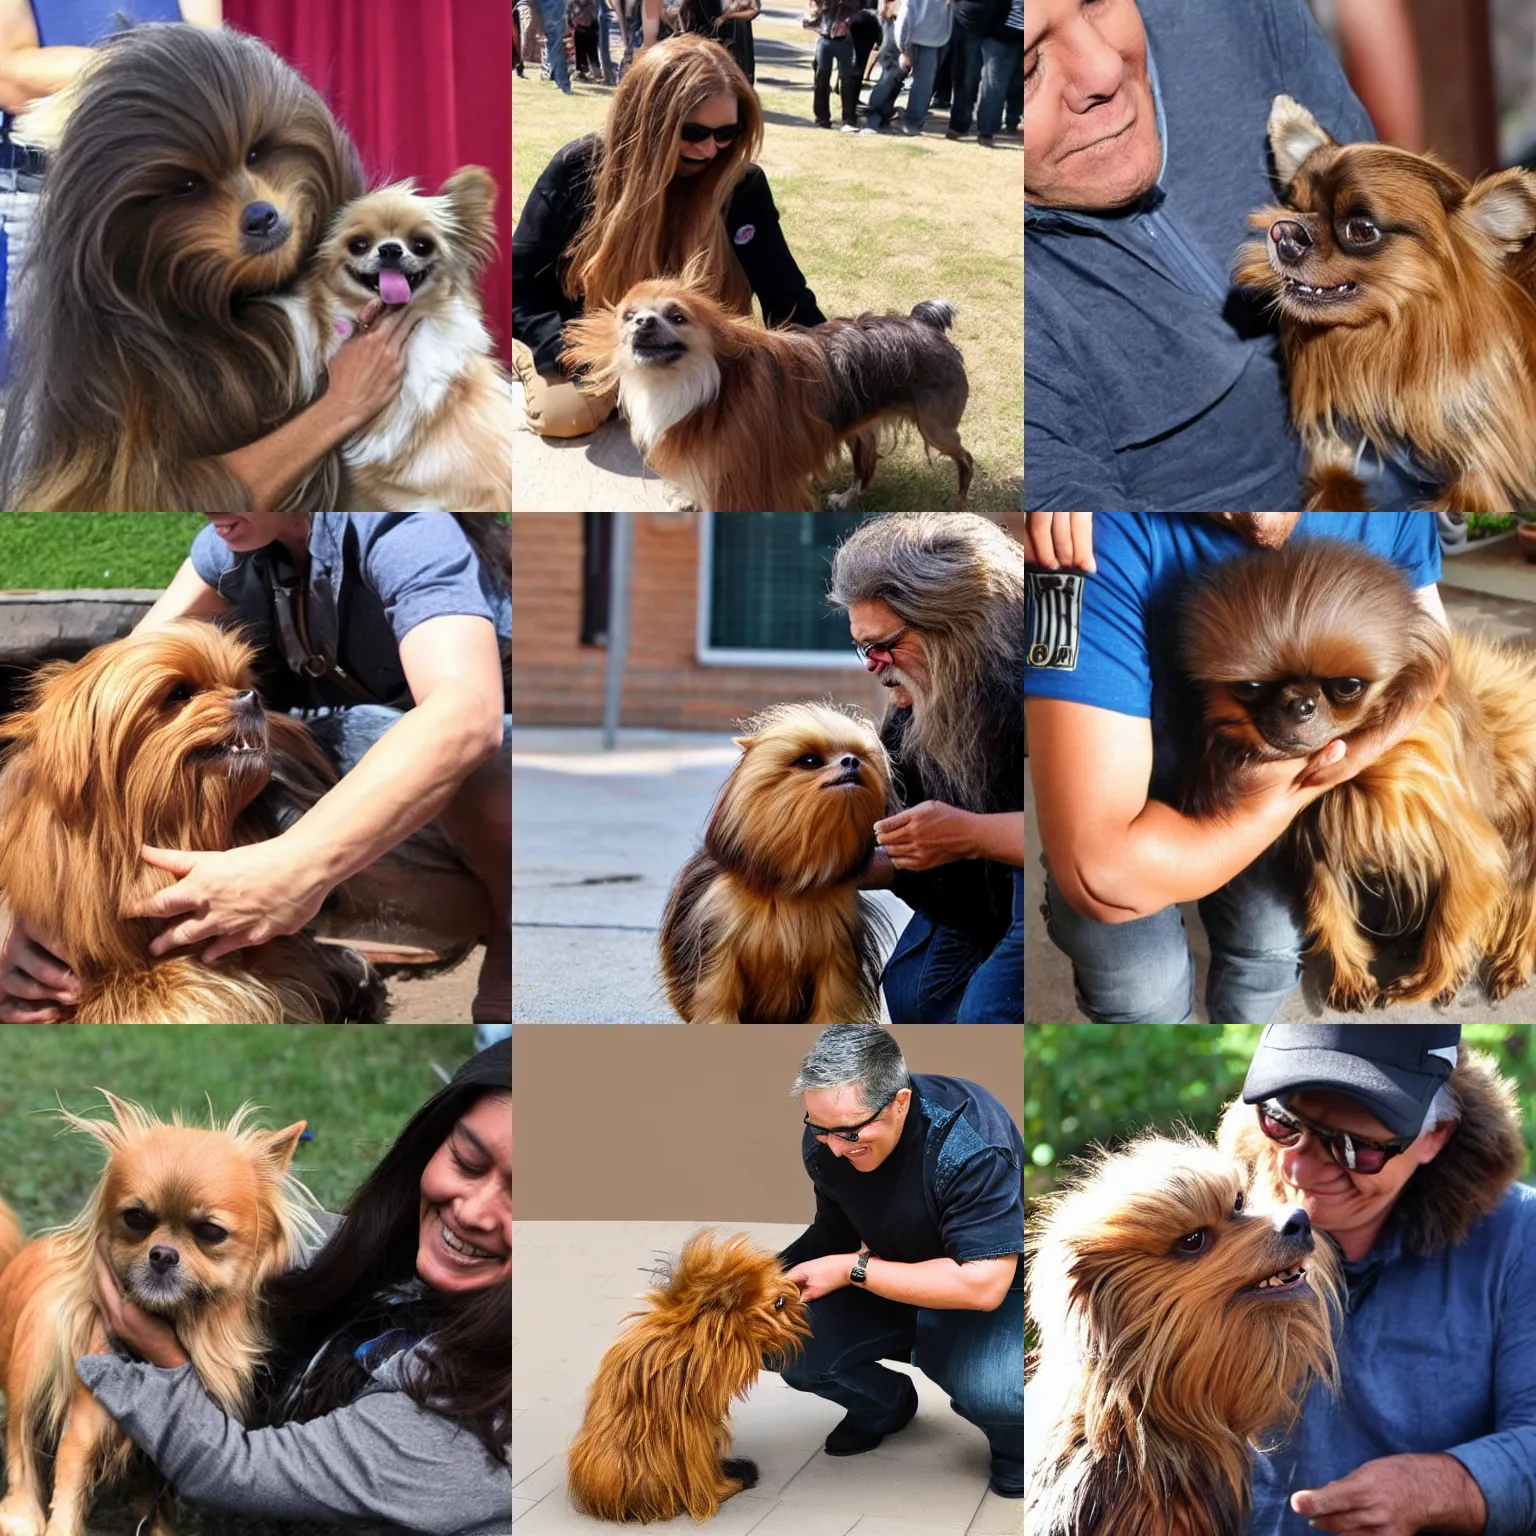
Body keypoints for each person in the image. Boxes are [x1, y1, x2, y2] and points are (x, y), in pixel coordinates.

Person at [0, 511, 512, 1026]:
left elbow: (467, 715)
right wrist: (29, 900)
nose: (205, 502)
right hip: (360, 783)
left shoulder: (404, 527)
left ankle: (515, 951)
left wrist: (294, 869)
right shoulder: (230, 540)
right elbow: (100, 701)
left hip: (508, 802)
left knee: (493, 768)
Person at [1025, 511, 1447, 1025]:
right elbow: (1102, 875)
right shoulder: (1086, 540)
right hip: (1130, 797)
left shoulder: (1390, 495)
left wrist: (1348, 758)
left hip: (1274, 788)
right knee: (1141, 988)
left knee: (1268, 946)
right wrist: (1289, 793)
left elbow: (1432, 650)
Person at [78, 1037, 512, 1536]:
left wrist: (159, 1362)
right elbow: (305, 1255)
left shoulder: (478, 1427)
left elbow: (236, 1470)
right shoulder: (404, 1253)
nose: (471, 1211)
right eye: (466, 1160)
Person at [1023, 0, 1433, 513]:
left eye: (1097, 2)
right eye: (1029, 69)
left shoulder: (1239, 13)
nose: (1104, 69)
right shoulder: (1018, 326)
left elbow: (1416, 262)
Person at [1220, 1024, 1536, 1535]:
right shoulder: (1214, 1224)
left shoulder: (1519, 1240)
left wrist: (1442, 1486)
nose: (1298, 1167)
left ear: (1435, 1136)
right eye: (1281, 1122)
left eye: (1353, 1149)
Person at [511, 33, 825, 439]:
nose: (711, 149)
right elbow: (518, 283)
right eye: (693, 132)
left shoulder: (741, 185)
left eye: (728, 132)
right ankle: (525, 365)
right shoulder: (580, 169)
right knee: (567, 414)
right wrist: (558, 347)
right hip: (598, 346)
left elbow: (787, 296)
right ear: (648, 122)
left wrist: (829, 363)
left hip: (688, 345)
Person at [776, 1026, 1024, 1498]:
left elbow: (984, 1285)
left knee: (997, 1390)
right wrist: (753, 1284)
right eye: (819, 1127)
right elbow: (834, 1233)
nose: (834, 1147)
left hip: (989, 1293)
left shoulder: (969, 1141)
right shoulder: (829, 1143)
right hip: (889, 1279)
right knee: (782, 1339)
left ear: (901, 1102)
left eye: (850, 1131)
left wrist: (854, 1270)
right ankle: (884, 1407)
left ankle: (1017, 1444)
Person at [829, 513, 1024, 1024]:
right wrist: (814, 867)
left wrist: (972, 835)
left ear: (958, 627)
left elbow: (1088, 836)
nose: (871, 665)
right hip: (978, 899)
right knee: (913, 988)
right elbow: (900, 848)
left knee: (989, 1014)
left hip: (1054, 895)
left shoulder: (1040, 691)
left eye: (883, 645)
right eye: (861, 647)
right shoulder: (913, 703)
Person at [0, 0, 221, 381]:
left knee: (173, 383)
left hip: (165, 191)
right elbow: (12, 80)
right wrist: (143, 62)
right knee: (48, 393)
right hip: (49, 196)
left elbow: (212, 67)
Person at [863, 0, 952, 135]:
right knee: (893, 77)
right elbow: (906, 10)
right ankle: (879, 117)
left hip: (927, 35)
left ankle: (907, 122)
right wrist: (903, 48)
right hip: (904, 28)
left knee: (920, 83)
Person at [803, 0, 870, 132]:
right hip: (825, 38)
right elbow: (813, 9)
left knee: (848, 81)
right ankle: (822, 118)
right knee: (821, 78)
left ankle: (849, 119)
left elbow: (863, 9)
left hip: (846, 41)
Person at [975, 0, 1020, 146]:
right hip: (998, 36)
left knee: (1019, 85)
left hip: (1026, 39)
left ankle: (1012, 121)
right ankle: (986, 130)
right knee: (993, 84)